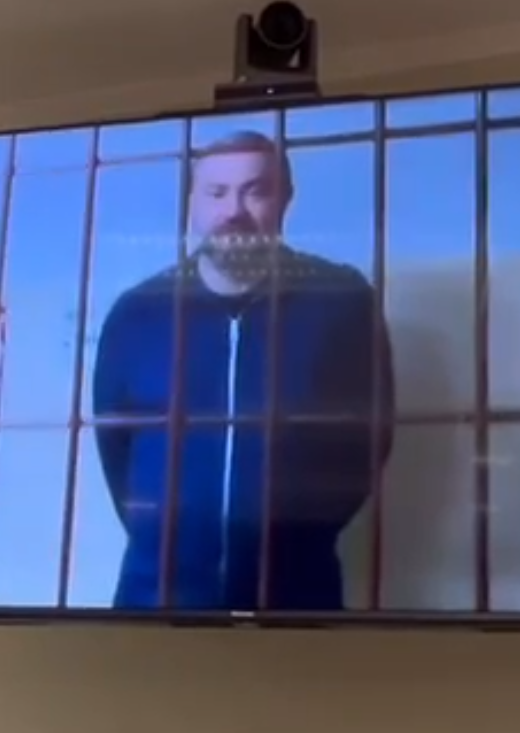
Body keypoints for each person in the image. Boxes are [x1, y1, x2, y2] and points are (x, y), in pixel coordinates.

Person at [90, 131, 392, 611]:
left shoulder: (342, 302)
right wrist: (167, 534)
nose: (233, 210)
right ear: (192, 202)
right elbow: (115, 450)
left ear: (285, 199)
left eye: (255, 191)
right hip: (155, 604)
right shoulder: (137, 312)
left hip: (297, 602)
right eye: (216, 192)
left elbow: (370, 438)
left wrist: (300, 537)